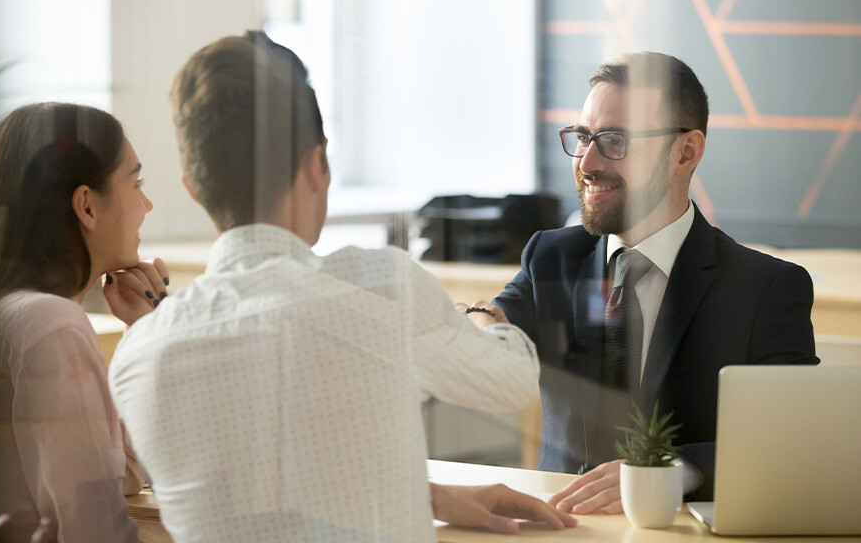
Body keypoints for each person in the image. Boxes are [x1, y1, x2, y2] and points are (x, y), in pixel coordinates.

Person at [108, 31, 575, 543]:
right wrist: (480, 316)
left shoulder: (139, 354)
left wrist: (433, 495)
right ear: (317, 164)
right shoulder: (379, 288)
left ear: (193, 189)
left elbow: (263, 493)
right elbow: (510, 381)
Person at [493, 51, 818, 512]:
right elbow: (500, 319)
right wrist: (480, 322)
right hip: (559, 526)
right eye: (583, 137)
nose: (586, 162)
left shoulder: (766, 289)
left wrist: (670, 472)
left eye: (615, 141)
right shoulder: (551, 257)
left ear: (685, 151)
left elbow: (792, 437)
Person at [0, 102, 168, 542]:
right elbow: (95, 528)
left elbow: (121, 475)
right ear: (86, 206)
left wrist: (140, 332)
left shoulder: (12, 310)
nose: (147, 204)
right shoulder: (54, 324)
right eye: (135, 183)